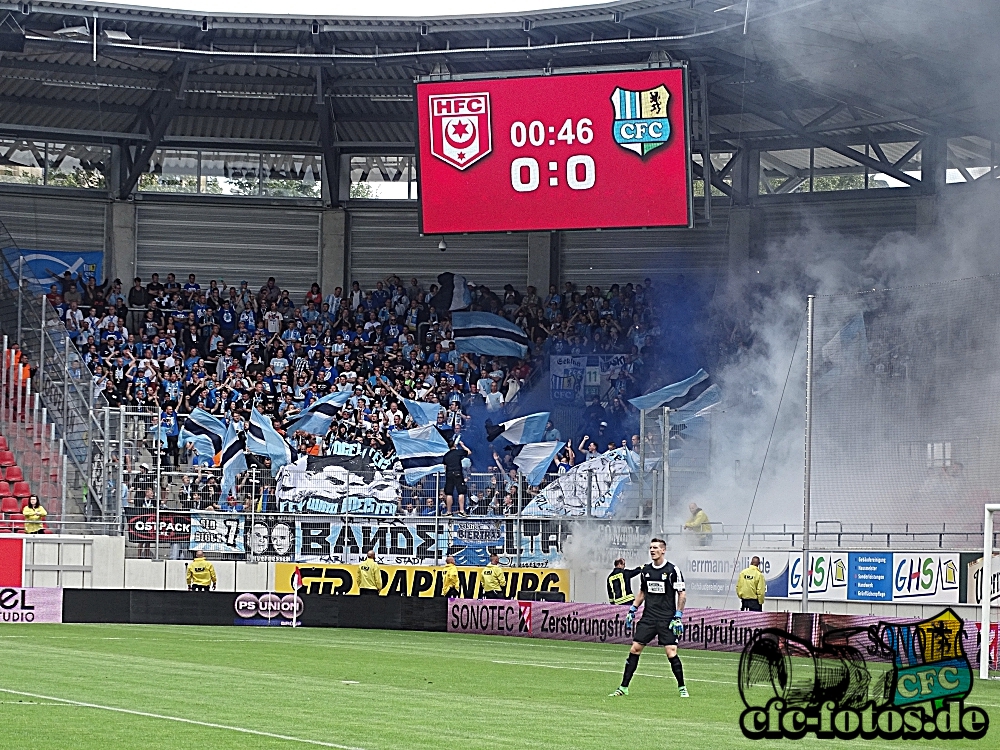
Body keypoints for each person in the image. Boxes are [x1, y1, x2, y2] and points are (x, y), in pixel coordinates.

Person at [609, 538, 688, 698]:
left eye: (656, 548)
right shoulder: (646, 571)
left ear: (663, 550)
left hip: (667, 618)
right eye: (651, 547)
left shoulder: (673, 570)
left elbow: (682, 594)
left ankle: (682, 687)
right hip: (648, 617)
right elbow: (642, 592)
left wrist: (678, 615)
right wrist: (632, 610)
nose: (652, 550)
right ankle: (623, 687)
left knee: (671, 652)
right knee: (635, 649)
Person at [442, 435, 471, 517]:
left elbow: (445, 467)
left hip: (449, 474)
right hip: (458, 473)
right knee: (461, 492)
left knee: (449, 493)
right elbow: (469, 452)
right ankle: (461, 511)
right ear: (454, 445)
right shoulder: (458, 452)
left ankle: (449, 512)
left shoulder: (446, 455)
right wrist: (462, 445)